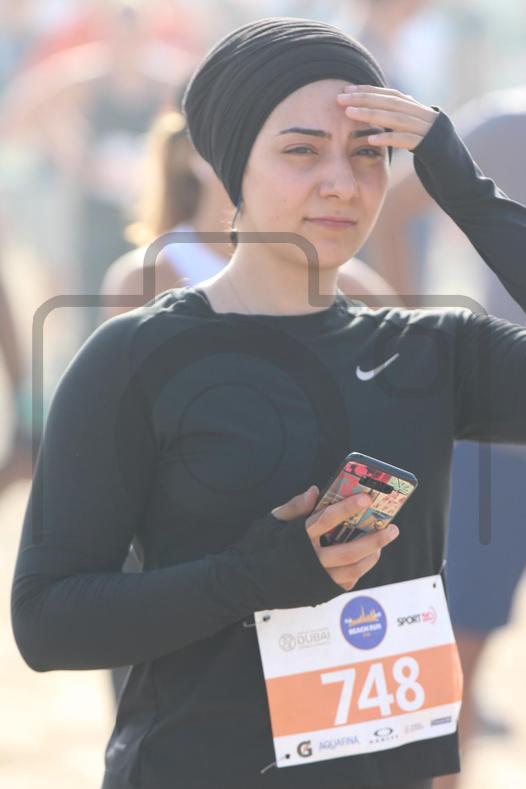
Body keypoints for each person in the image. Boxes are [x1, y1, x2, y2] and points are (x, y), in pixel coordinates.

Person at [9, 17, 526, 789]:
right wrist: (255, 576)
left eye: (368, 152)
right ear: (231, 167)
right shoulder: (137, 356)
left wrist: (463, 186)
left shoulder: (429, 353)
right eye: (301, 151)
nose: (341, 182)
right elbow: (47, 621)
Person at [100, 102, 399, 704]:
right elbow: (122, 439)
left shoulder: (354, 285)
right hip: (179, 568)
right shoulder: (148, 276)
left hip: (316, 564)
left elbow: (399, 418)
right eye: (299, 148)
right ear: (193, 152)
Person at [364, 86, 526, 789]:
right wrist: (409, 325)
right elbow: (396, 208)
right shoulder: (505, 124)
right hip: (500, 439)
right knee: (454, 650)